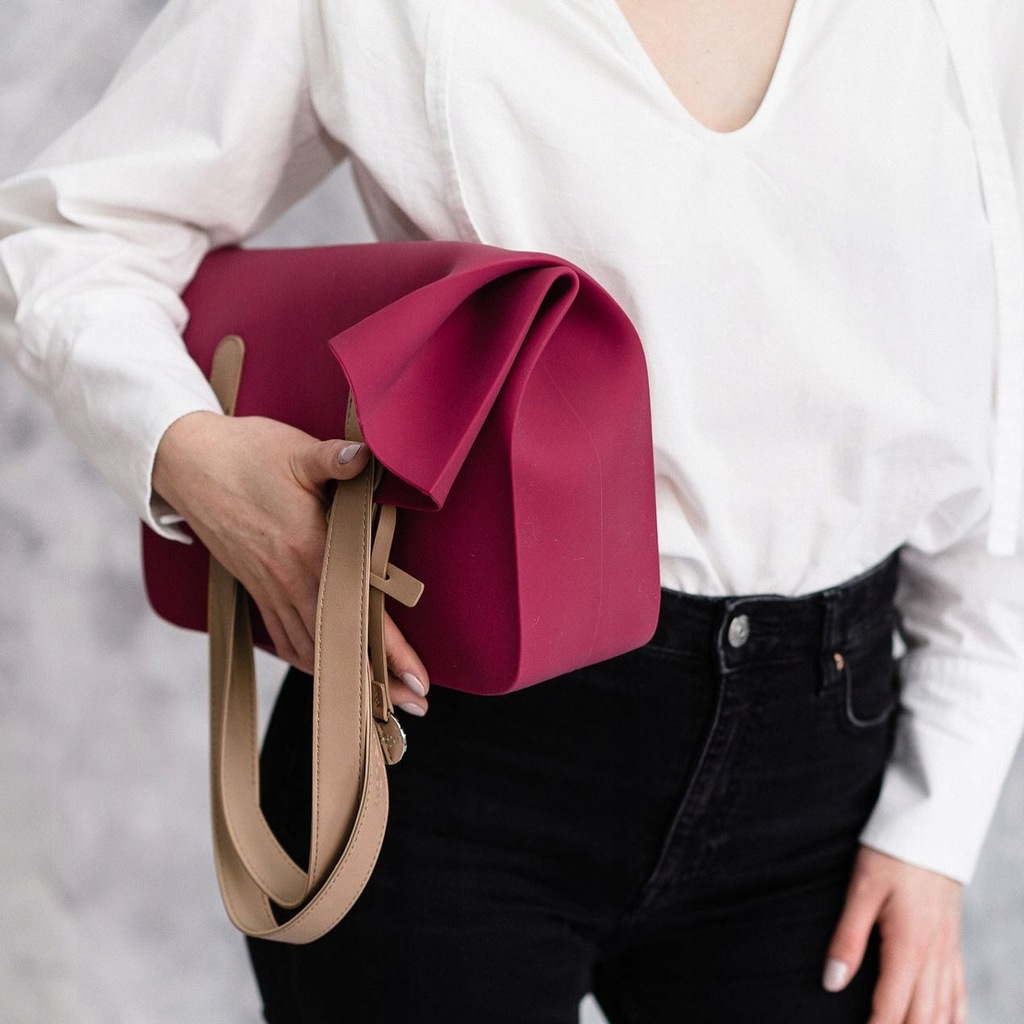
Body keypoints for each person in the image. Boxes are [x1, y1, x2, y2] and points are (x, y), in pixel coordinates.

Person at [1, 0, 1022, 1021]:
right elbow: (66, 233)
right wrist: (190, 455)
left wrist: (939, 814)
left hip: (821, 767)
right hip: (441, 737)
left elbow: (995, 398)